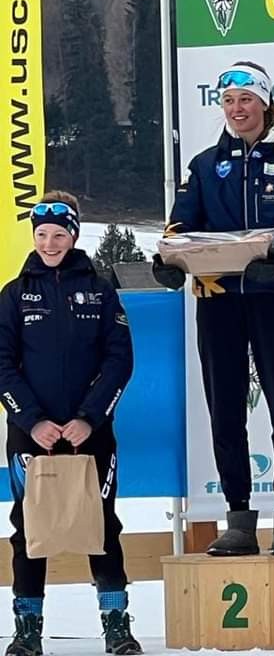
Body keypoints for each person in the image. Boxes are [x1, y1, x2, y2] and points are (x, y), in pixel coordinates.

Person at [153, 61, 274, 556]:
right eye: (229, 102)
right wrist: (170, 261)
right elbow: (178, 228)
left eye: (246, 100)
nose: (237, 110)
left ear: (265, 103)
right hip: (218, 300)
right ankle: (238, 518)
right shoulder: (206, 166)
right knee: (225, 411)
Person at [0, 191, 141, 656]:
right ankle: (27, 630)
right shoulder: (15, 294)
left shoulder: (100, 289)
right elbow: (2, 364)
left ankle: (117, 626)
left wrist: (89, 418)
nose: (49, 243)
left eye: (58, 234)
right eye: (41, 235)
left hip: (90, 434)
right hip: (30, 435)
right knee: (29, 527)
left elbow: (119, 359)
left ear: (74, 235)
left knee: (101, 525)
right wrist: (32, 420)